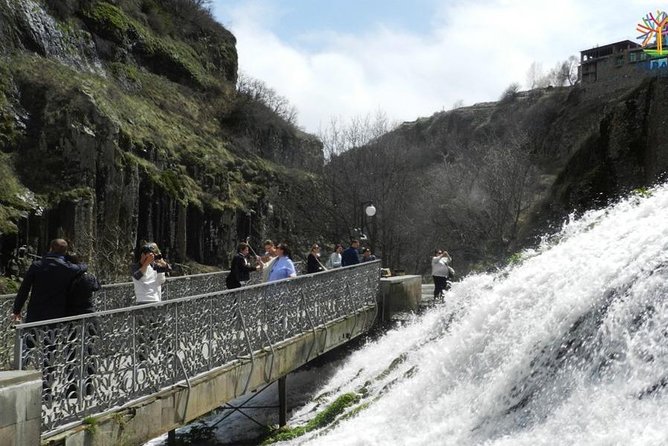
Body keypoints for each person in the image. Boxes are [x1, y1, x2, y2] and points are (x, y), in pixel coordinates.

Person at [11, 238, 87, 322]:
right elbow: (82, 267)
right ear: (65, 251)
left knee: (32, 334)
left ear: (50, 248)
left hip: (36, 312)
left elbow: (24, 289)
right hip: (57, 313)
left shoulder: (37, 266)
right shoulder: (68, 268)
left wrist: (17, 310)